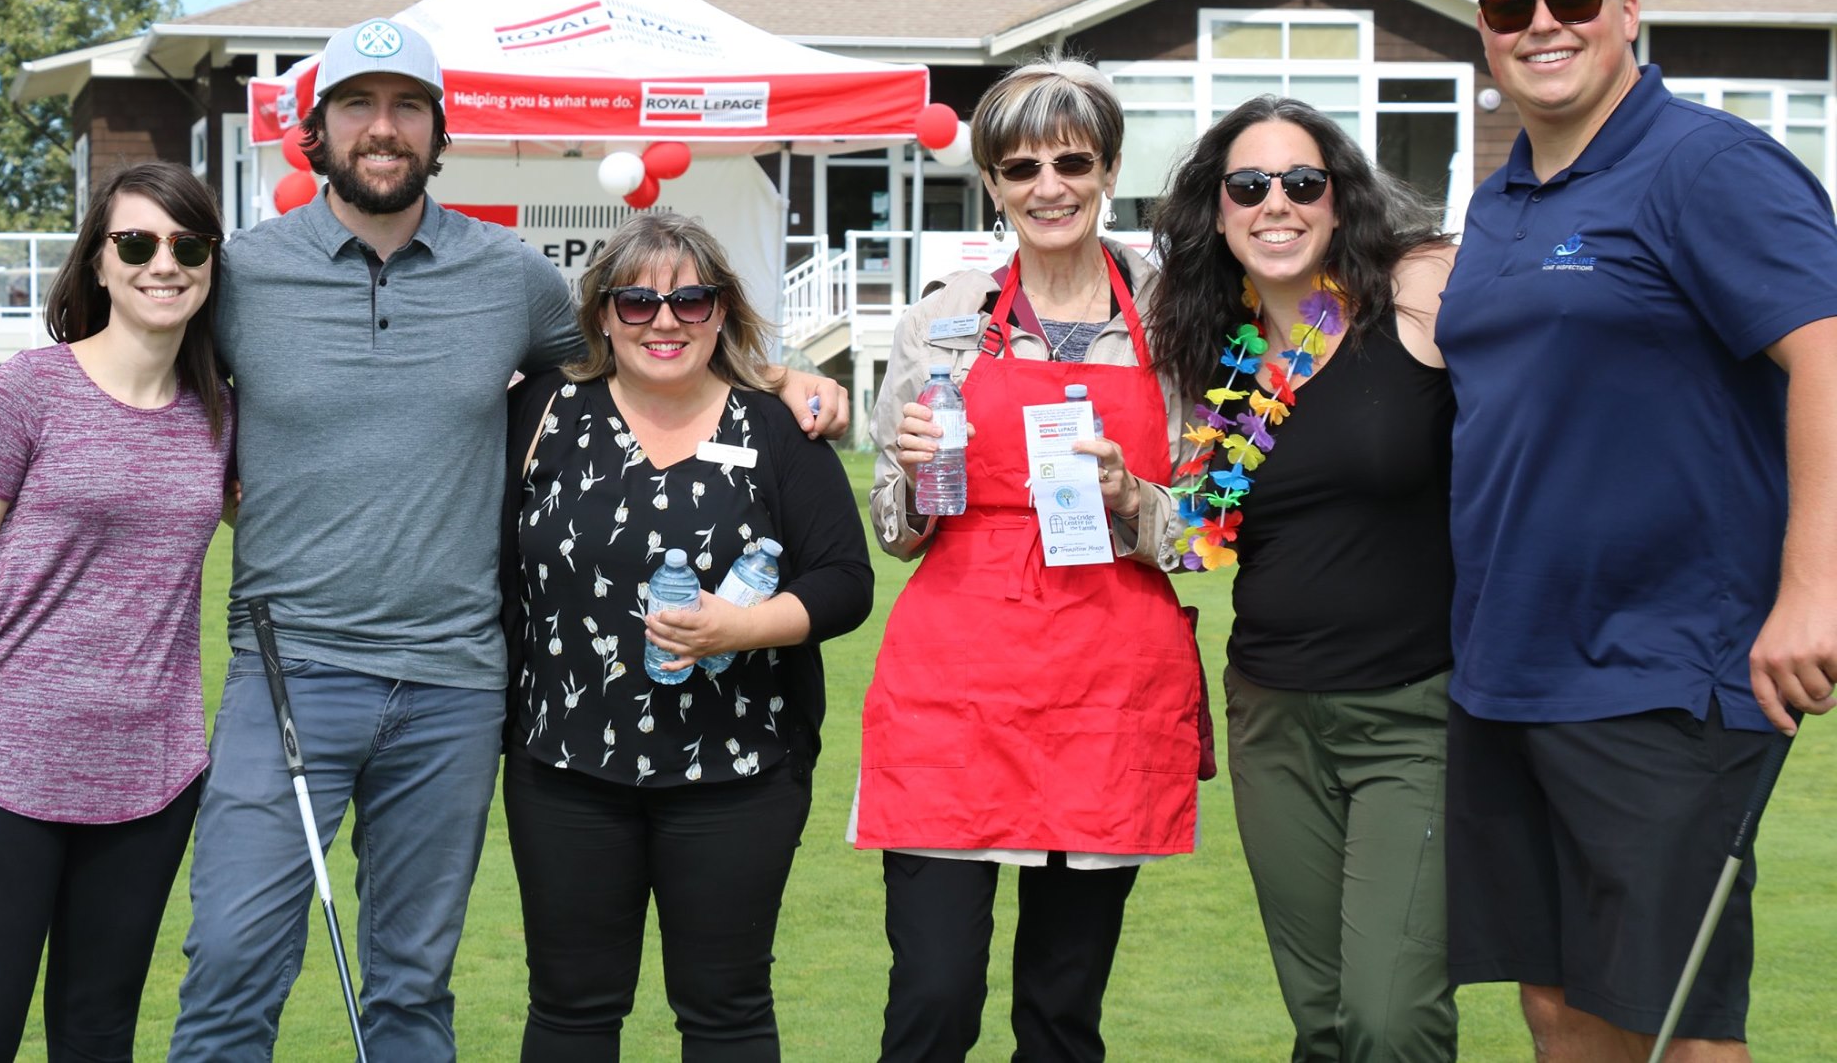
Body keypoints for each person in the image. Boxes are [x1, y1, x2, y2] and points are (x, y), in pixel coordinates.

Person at [0, 17, 848, 1060]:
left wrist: (782, 377)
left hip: (452, 689)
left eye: (407, 106)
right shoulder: (243, 273)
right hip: (289, 671)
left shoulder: (512, 278)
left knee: (408, 989)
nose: (382, 127)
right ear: (315, 133)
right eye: (357, 105)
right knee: (229, 966)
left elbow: (650, 345)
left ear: (438, 133)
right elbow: (121, 347)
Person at [1440, 0, 1837, 1059]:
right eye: (1511, 5)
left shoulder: (1704, 166)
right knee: (1555, 1007)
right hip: (1506, 668)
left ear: (1626, 12)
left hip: (1662, 671)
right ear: (1483, 27)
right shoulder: (1498, 199)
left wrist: (1810, 592)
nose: (1541, 25)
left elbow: (1824, 355)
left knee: (1667, 1022)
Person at [856, 57, 1204, 1063]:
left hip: (1107, 688)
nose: (1046, 186)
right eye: (1018, 168)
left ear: (1106, 170)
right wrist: (919, 482)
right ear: (991, 184)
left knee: (1059, 1015)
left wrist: (1132, 498)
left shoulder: (1181, 322)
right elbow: (891, 530)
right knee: (931, 1000)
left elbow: (1214, 533)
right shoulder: (937, 324)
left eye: (1070, 160)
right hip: (953, 686)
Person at [0, 163, 231, 1061]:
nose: (162, 264)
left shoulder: (224, 412)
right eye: (135, 244)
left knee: (99, 1035)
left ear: (212, 263)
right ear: (98, 262)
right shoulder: (27, 389)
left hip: (153, 772)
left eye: (188, 245)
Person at [499, 212, 873, 1061]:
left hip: (736, 773)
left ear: (720, 311)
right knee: (569, 1007)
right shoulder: (543, 415)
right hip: (565, 767)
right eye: (636, 302)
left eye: (690, 299)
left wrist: (741, 627)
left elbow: (844, 581)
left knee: (726, 1010)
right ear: (602, 314)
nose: (664, 321)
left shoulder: (776, 426)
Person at [1147, 97, 1457, 1061]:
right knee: (1322, 1023)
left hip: (1415, 714)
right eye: (1249, 185)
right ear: (1218, 210)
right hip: (1273, 719)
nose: (1275, 202)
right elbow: (1198, 537)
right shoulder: (1217, 360)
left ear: (1337, 200)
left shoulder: (1416, 297)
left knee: (1389, 1017)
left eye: (1302, 182)